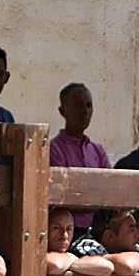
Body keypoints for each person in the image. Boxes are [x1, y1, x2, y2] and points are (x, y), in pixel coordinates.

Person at [49, 83, 110, 234]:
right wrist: (95, 198)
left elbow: (110, 189)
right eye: (78, 105)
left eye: (89, 105)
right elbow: (62, 193)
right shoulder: (54, 148)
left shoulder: (97, 150)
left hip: (100, 230)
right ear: (62, 111)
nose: (85, 111)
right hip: (68, 232)